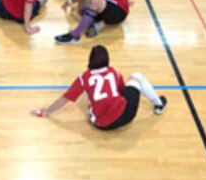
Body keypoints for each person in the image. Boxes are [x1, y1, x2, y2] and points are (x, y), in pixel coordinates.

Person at [31, 45, 166, 129]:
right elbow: (122, 91)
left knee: (92, 104)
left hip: (102, 124)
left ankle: (158, 104)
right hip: (126, 116)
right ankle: (159, 104)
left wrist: (46, 111)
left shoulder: (84, 77)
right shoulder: (114, 72)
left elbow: (65, 99)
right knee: (136, 76)